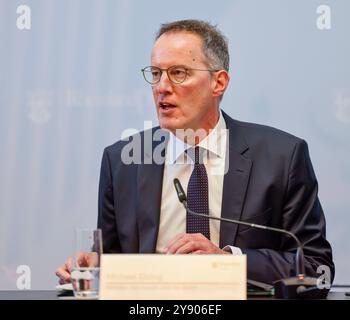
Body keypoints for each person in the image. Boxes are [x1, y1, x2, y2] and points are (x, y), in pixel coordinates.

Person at [56, 19, 334, 285]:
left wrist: (228, 262)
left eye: (178, 73)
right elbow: (114, 260)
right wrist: (96, 265)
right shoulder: (122, 161)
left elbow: (315, 267)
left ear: (219, 82)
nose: (162, 87)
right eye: (155, 74)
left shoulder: (282, 157)